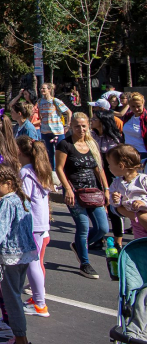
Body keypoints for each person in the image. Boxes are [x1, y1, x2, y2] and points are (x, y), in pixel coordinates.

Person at [0, 163, 39, 344]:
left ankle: (21, 343)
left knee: (12, 300)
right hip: (24, 254)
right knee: (14, 296)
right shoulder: (21, 198)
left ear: (8, 183)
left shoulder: (7, 202)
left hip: (9, 256)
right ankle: (18, 339)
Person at [55, 112, 110, 279]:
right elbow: (59, 168)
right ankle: (84, 263)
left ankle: (79, 246)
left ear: (89, 126)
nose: (81, 129)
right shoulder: (65, 144)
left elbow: (99, 169)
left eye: (84, 125)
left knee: (102, 228)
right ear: (71, 126)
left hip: (93, 192)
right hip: (75, 192)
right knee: (83, 226)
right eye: (77, 126)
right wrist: (67, 189)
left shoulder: (92, 144)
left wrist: (106, 189)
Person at [16, 137, 51, 318]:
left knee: (33, 262)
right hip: (41, 222)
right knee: (35, 261)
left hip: (32, 223)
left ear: (20, 152)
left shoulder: (26, 172)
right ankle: (38, 299)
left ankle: (40, 304)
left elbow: (25, 198)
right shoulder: (40, 170)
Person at [92, 110, 125, 247]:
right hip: (96, 174)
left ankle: (118, 242)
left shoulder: (114, 139)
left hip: (111, 175)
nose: (92, 120)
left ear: (102, 121)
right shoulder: (92, 135)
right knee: (98, 207)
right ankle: (99, 238)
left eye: (94, 118)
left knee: (113, 208)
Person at [107, 144, 147, 236]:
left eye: (110, 164)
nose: (109, 167)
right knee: (140, 245)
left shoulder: (143, 180)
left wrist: (143, 204)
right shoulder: (116, 183)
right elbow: (115, 205)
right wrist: (115, 200)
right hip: (136, 223)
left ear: (121, 166)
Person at [37, 83, 70, 169]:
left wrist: (67, 125)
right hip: (45, 130)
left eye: (44, 88)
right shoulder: (40, 101)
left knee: (61, 151)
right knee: (49, 153)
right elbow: (40, 114)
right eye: (41, 88)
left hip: (57, 131)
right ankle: (53, 172)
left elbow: (68, 112)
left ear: (49, 90)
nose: (42, 90)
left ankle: (63, 170)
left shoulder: (55, 101)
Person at [121, 92, 147, 161]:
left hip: (142, 154)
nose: (136, 109)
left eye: (138, 106)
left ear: (143, 104)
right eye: (133, 106)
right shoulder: (128, 116)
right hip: (127, 152)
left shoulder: (146, 118)